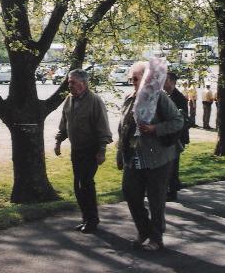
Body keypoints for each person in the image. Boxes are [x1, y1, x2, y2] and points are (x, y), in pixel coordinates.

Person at [116, 62, 184, 251]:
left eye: (135, 78)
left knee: (156, 199)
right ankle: (143, 230)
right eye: (131, 79)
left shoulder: (159, 97)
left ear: (146, 78)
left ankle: (156, 237)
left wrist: (156, 129)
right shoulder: (129, 98)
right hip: (134, 157)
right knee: (130, 193)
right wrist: (120, 155)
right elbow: (124, 130)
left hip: (158, 158)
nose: (132, 82)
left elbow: (178, 121)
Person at [55, 69, 113, 234]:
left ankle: (93, 220)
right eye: (69, 82)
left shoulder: (95, 101)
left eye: (72, 82)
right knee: (78, 185)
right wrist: (58, 141)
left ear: (83, 83)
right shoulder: (69, 100)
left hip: (91, 149)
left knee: (86, 184)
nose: (69, 85)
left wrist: (102, 150)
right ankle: (85, 218)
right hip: (77, 149)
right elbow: (64, 123)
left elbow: (103, 128)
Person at [163, 72, 190, 202]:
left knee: (173, 165)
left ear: (172, 81)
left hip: (177, 137)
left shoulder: (179, 98)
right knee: (167, 164)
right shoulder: (165, 95)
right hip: (168, 136)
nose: (162, 82)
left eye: (165, 80)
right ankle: (169, 188)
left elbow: (182, 120)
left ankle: (172, 191)